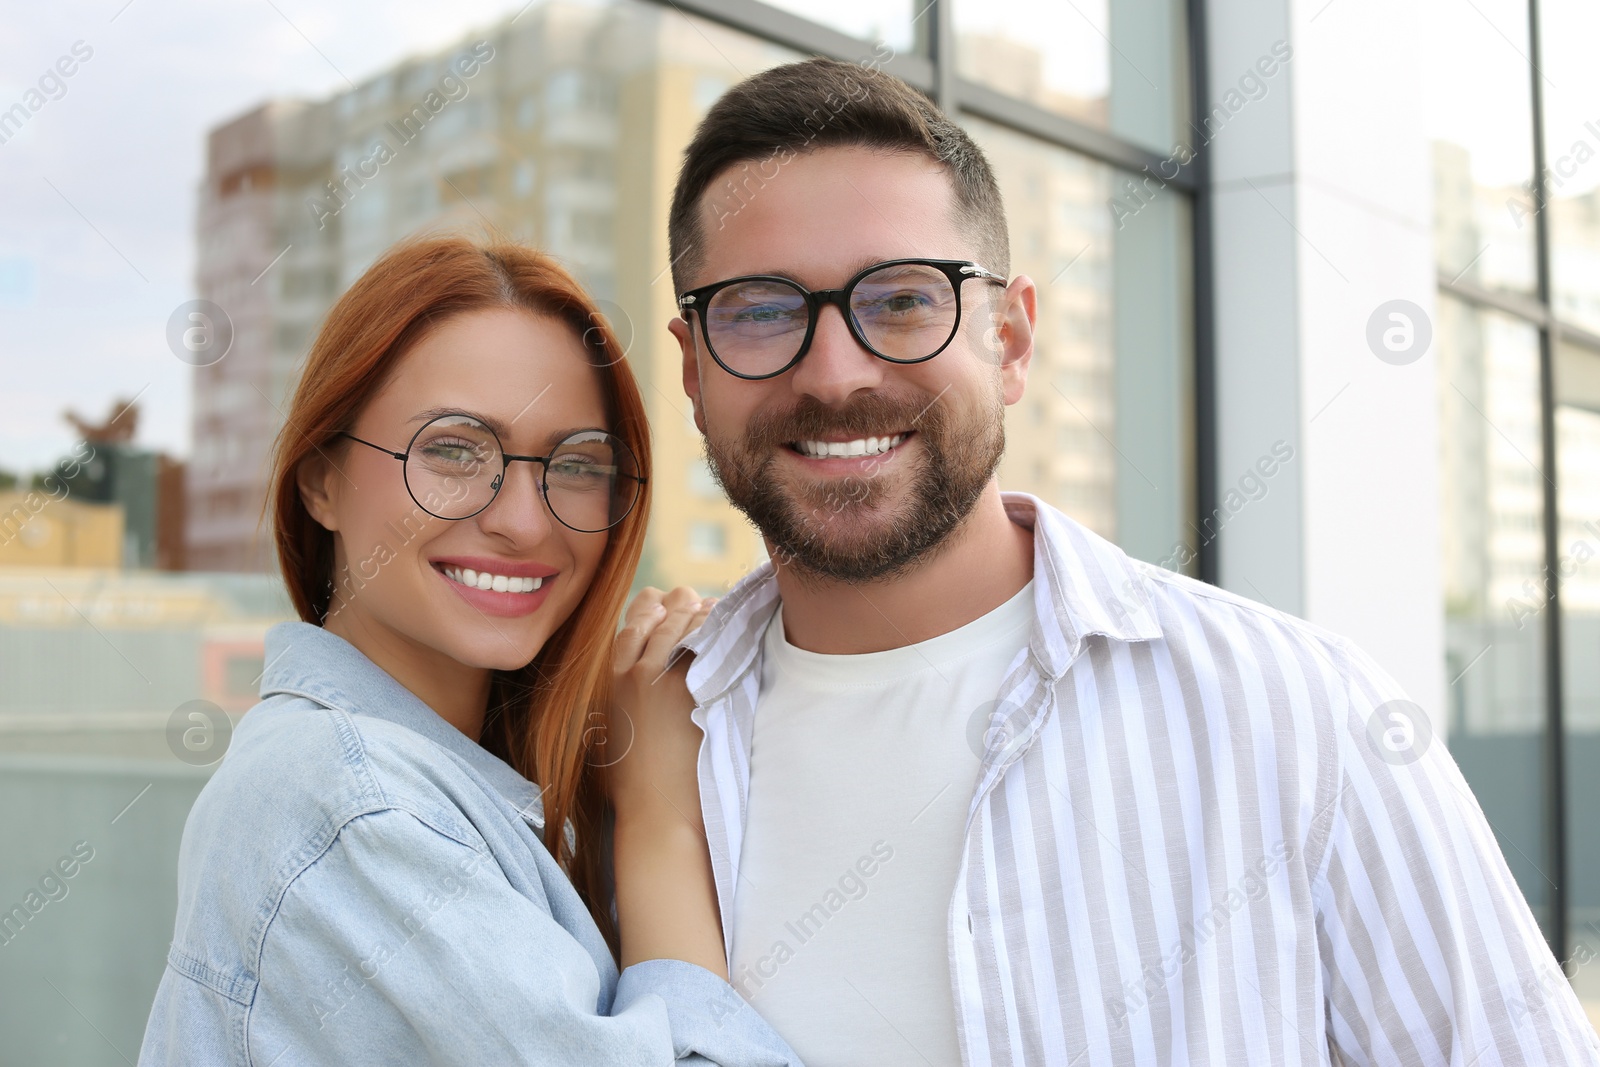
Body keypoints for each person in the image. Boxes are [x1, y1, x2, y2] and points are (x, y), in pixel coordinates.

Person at [659, 58, 1600, 1065]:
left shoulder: (1301, 715)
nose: (834, 370)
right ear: (690, 367)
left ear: (1011, 340)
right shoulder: (646, 746)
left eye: (900, 300)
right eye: (758, 311)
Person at [138, 237, 801, 1066]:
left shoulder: (448, 777)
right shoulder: (354, 805)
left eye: (578, 463)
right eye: (453, 450)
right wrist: (657, 816)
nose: (524, 520)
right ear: (321, 481)